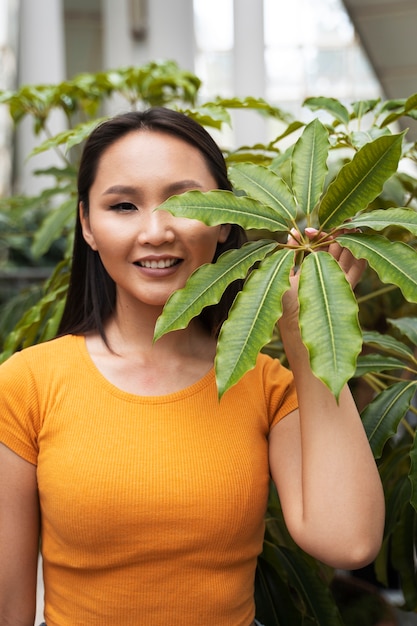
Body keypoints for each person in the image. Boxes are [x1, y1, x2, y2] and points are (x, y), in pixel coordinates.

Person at [0, 107, 384, 626]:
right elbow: (9, 607)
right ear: (88, 225)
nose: (156, 231)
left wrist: (310, 331)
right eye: (124, 205)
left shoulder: (267, 386)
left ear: (226, 219)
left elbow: (349, 539)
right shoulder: (27, 383)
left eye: (184, 203)